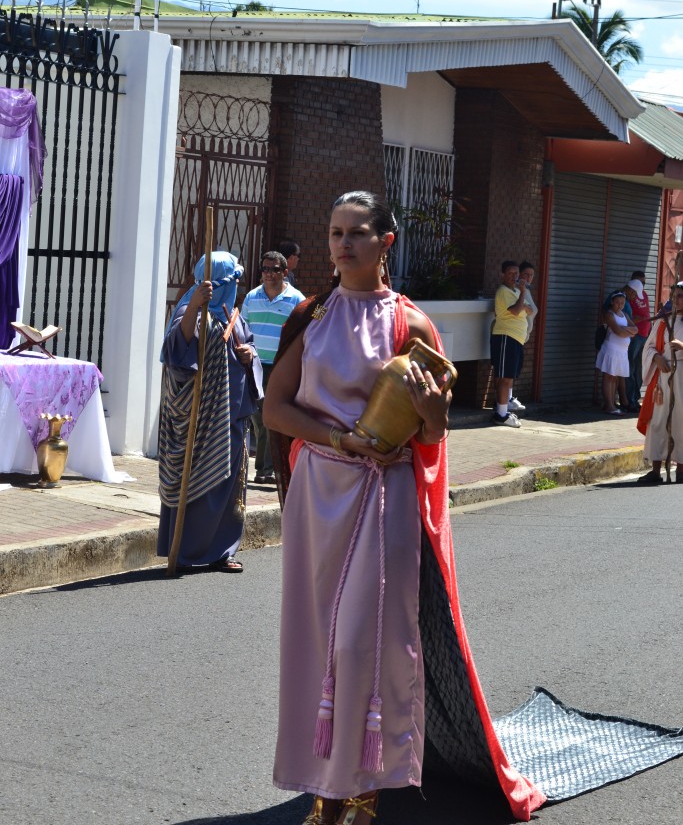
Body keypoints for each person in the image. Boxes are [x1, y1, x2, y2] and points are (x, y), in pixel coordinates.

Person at [264, 192, 545, 825]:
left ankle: (360, 789)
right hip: (319, 495)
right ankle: (323, 784)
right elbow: (275, 409)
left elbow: (433, 434)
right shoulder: (309, 316)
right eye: (335, 232)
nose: (342, 244)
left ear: (384, 243)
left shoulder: (410, 326)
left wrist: (429, 411)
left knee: (363, 643)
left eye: (356, 234)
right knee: (316, 643)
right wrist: (338, 438)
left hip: (382, 495)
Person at [157, 251, 263, 572]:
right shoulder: (193, 312)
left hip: (231, 415)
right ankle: (187, 551)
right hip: (202, 421)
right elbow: (177, 349)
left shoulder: (232, 314)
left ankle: (223, 552)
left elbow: (249, 344)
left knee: (229, 487)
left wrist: (250, 355)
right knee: (198, 487)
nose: (237, 286)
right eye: (232, 280)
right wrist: (194, 307)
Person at [242, 251, 305, 484]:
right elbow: (243, 328)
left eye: (275, 269)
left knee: (270, 417)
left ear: (285, 272)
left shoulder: (296, 299)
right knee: (259, 418)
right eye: (266, 269)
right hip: (255, 364)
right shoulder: (251, 297)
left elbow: (304, 330)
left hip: (281, 366)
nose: (269, 274)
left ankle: (266, 469)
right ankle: (267, 467)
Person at [637, 282, 683, 483]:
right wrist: (657, 358)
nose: (676, 299)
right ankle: (655, 471)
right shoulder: (663, 321)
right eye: (674, 295)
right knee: (657, 421)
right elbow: (648, 347)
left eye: (680, 295)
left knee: (681, 421)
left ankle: (681, 469)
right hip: (663, 378)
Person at [490, 260, 529, 427]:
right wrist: (522, 294)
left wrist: (521, 302)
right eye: (511, 273)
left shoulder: (514, 292)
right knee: (505, 377)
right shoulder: (504, 291)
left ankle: (502, 409)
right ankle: (501, 415)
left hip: (516, 338)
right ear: (503, 274)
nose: (515, 277)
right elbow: (515, 310)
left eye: (516, 273)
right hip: (506, 336)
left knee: (508, 376)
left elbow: (530, 310)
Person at [595, 290, 637, 415]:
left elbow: (635, 329)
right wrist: (626, 331)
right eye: (617, 302)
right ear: (612, 302)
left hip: (622, 352)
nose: (620, 304)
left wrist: (625, 329)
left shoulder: (625, 314)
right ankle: (609, 405)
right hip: (611, 350)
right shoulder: (609, 314)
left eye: (622, 302)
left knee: (614, 377)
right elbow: (617, 331)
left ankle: (612, 403)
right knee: (608, 377)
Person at [508, 260, 538, 414]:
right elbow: (523, 308)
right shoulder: (516, 290)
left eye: (532, 275)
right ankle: (506, 399)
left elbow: (531, 309)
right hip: (512, 333)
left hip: (522, 334)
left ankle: (510, 397)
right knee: (508, 368)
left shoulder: (526, 290)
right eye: (526, 274)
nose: (529, 277)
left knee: (515, 367)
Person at [626, 274, 651, 412]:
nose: (643, 285)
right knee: (630, 368)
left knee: (639, 369)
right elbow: (628, 317)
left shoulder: (644, 295)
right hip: (634, 336)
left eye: (644, 283)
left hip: (645, 335)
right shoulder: (629, 296)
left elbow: (646, 312)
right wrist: (639, 319)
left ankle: (635, 398)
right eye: (640, 282)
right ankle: (630, 400)